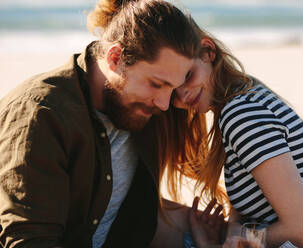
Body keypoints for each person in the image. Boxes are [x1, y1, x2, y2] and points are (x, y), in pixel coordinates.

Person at [0, 0, 202, 247]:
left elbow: (221, 81)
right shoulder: (42, 114)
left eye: (174, 87)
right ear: (115, 58)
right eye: (156, 84)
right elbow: (28, 240)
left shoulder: (145, 106)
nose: (163, 103)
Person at [155, 28, 303, 247]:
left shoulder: (240, 114)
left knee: (150, 225)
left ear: (208, 51)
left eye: (187, 76)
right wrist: (229, 234)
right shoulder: (244, 95)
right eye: (173, 91)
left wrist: (232, 239)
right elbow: (243, 217)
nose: (183, 94)